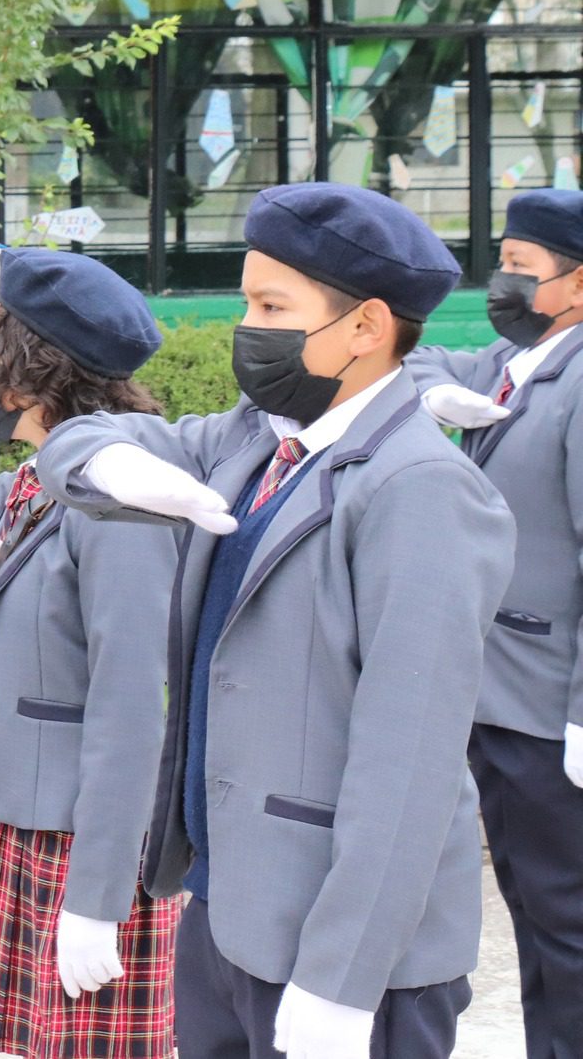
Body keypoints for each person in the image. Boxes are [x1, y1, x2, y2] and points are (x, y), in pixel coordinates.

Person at [33, 183, 515, 1059]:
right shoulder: (263, 436)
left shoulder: (420, 492)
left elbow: (407, 763)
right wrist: (106, 459)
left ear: (366, 326)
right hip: (229, 908)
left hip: (340, 944)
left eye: (271, 306)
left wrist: (340, 977)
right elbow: (80, 442)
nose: (246, 328)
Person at [0, 249, 181, 1059]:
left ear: (36, 369)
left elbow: (134, 709)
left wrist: (99, 898)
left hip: (78, 834)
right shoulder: (47, 472)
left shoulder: (120, 499)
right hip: (22, 817)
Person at [402, 187, 583, 1059]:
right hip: (500, 699)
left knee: (567, 929)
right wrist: (443, 397)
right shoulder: (516, 364)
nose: (501, 282)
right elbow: (423, 358)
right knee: (539, 919)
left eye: (521, 268)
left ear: (576, 284)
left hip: (549, 713)